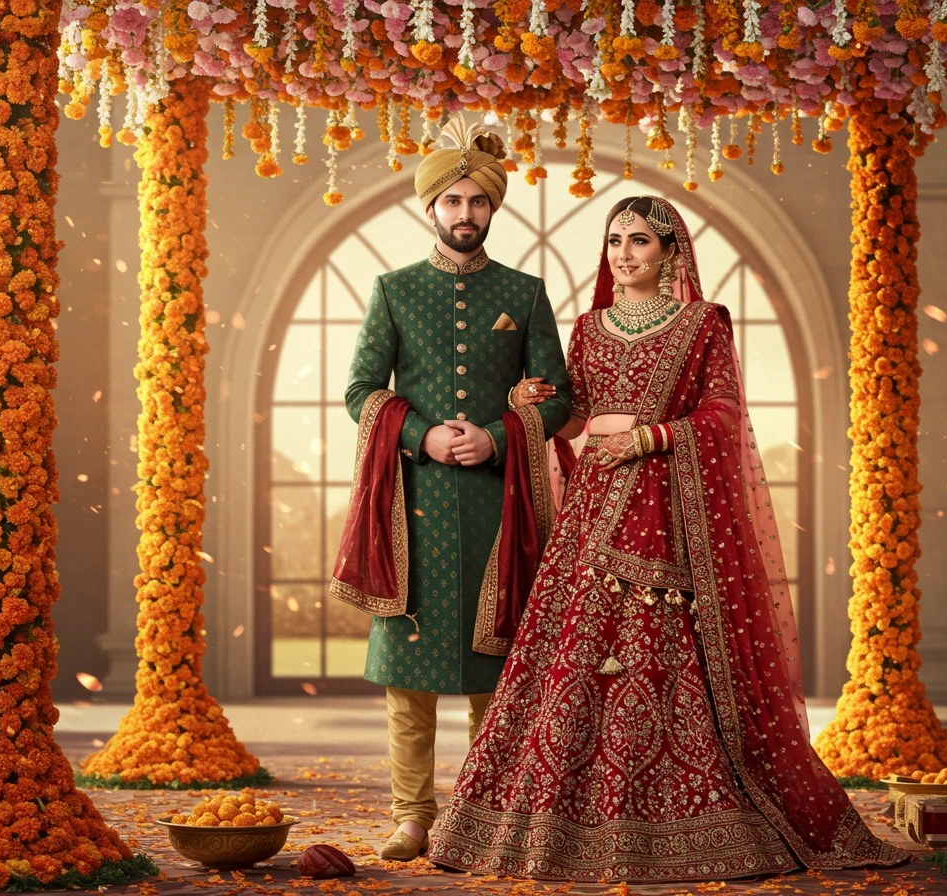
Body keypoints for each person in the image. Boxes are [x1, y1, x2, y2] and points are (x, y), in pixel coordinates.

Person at [426, 196, 911, 881]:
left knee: (659, 656)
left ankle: (683, 818)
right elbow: (581, 420)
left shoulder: (702, 324)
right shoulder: (590, 328)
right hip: (593, 514)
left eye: (640, 242)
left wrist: (651, 438)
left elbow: (722, 413)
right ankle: (547, 827)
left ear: (669, 252)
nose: (623, 254)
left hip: (661, 511)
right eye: (615, 241)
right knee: (571, 660)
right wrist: (533, 407)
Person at [331, 117, 572, 862]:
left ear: (492, 209)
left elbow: (558, 397)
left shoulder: (524, 291)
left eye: (477, 202)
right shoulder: (395, 290)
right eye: (452, 202)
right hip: (413, 505)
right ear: (429, 209)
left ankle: (482, 816)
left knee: (492, 674)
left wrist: (498, 436)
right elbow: (361, 390)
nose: (465, 214)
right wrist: (423, 435)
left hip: (499, 506)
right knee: (410, 676)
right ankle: (412, 817)